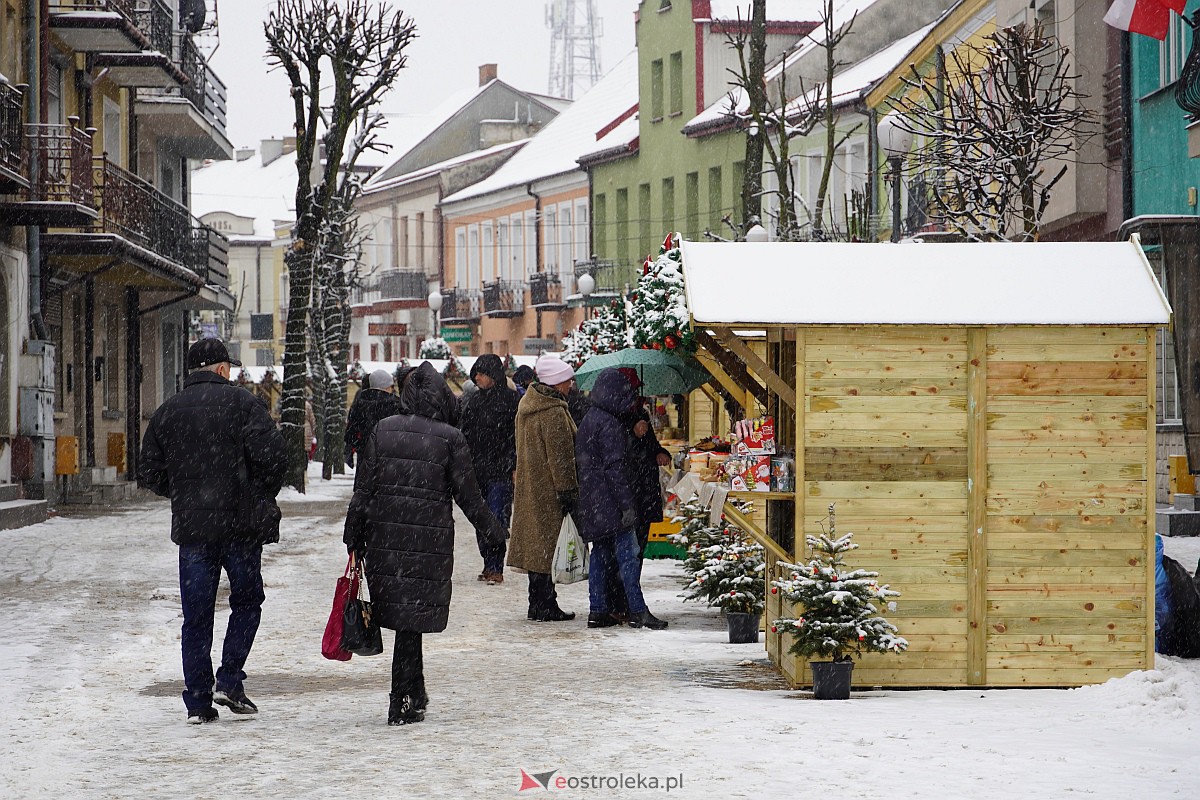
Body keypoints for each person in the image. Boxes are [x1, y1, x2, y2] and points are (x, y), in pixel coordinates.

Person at [343, 362, 505, 726]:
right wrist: (492, 530)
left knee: (406, 619)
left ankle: (413, 691)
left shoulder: (382, 431)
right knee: (409, 618)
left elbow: (363, 491)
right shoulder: (449, 437)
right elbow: (469, 495)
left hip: (386, 540)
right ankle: (401, 698)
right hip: (427, 541)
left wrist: (353, 534)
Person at [137, 338, 287, 724]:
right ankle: (230, 678)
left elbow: (148, 471)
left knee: (196, 616)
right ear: (221, 369)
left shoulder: (168, 412)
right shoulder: (244, 405)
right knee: (247, 601)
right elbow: (275, 458)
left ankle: (199, 700)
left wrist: (186, 494)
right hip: (241, 527)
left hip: (193, 531)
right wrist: (253, 492)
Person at [575, 368, 668, 630]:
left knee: (601, 554)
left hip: (593, 501)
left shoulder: (590, 419)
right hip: (612, 502)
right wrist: (627, 505)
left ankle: (598, 610)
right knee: (628, 555)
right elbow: (616, 470)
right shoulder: (610, 425)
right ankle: (637, 610)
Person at [508, 354, 580, 622]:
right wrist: (568, 493)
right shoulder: (553, 412)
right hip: (550, 489)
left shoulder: (526, 406)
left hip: (531, 485)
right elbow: (561, 459)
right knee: (548, 547)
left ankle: (537, 602)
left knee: (536, 546)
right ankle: (545, 605)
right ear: (556, 383)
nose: (570, 384)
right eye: (567, 380)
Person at [603, 368, 672, 622]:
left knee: (636, 551)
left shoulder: (639, 413)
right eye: (633, 390)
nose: (638, 395)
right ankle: (621, 604)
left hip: (643, 494)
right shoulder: (612, 418)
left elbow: (650, 447)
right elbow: (614, 455)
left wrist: (660, 452)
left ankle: (628, 603)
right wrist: (633, 434)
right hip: (627, 495)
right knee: (623, 553)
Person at [458, 354, 519, 584]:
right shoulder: (474, 401)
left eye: (481, 374)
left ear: (492, 375)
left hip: (501, 470)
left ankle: (496, 566)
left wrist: (514, 465)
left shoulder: (511, 401)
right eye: (476, 375)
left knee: (498, 518)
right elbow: (466, 434)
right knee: (480, 518)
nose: (478, 379)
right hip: (477, 470)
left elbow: (515, 437)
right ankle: (487, 562)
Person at [344, 368, 403, 467]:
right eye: (391, 386)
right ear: (385, 386)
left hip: (364, 455)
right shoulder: (395, 405)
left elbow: (351, 432)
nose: (393, 389)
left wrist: (356, 446)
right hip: (389, 457)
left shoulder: (360, 403)